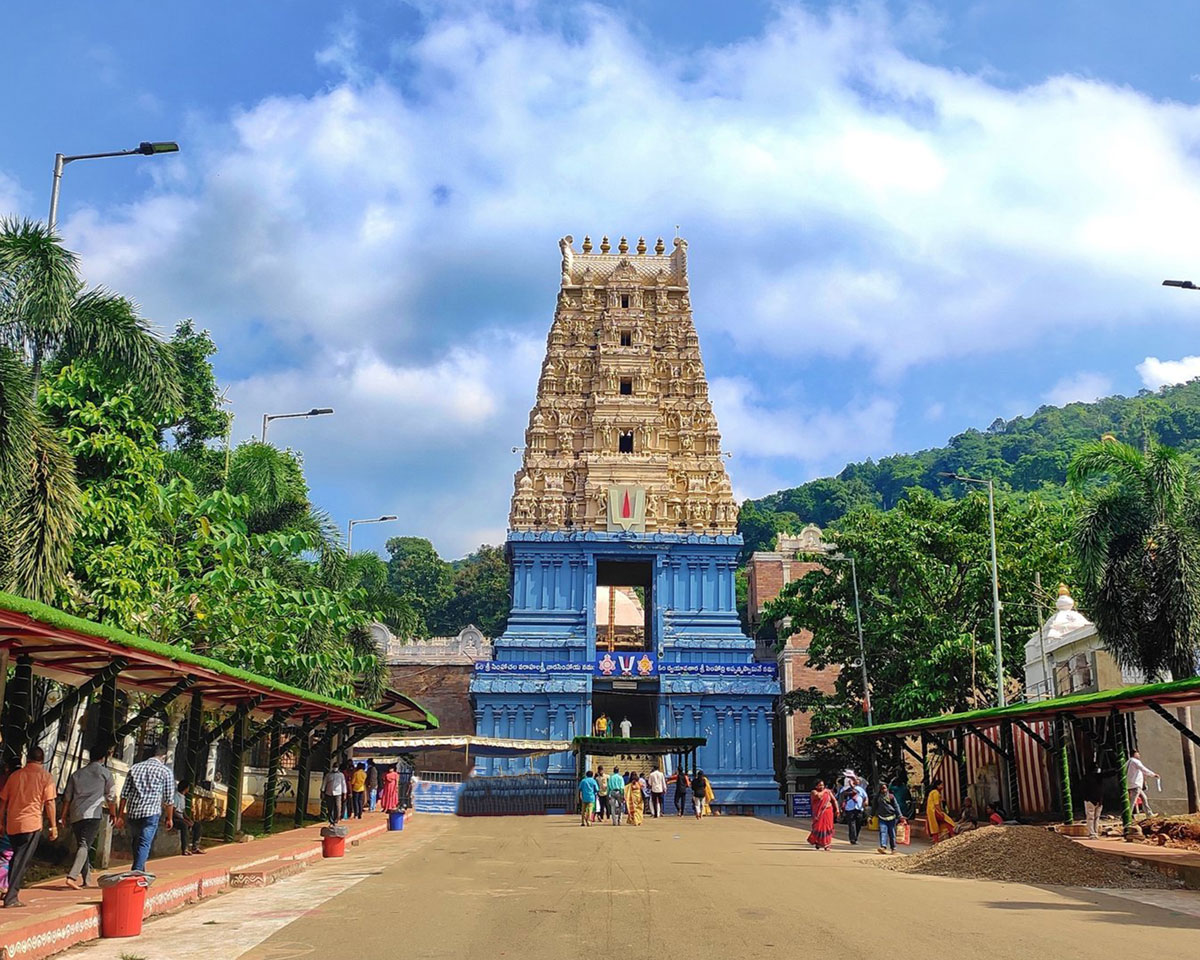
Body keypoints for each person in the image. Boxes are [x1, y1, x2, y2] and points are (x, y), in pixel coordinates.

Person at [0, 747, 58, 907]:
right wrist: (53, 826)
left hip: (13, 823)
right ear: (42, 759)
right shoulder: (46, 777)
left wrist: (1, 822)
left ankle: (9, 892)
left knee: (16, 857)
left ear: (28, 758)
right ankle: (11, 897)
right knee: (21, 860)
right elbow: (50, 802)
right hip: (31, 824)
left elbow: (3, 800)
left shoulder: (15, 776)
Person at [60, 746, 117, 889]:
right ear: (103, 758)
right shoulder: (105, 773)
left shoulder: (77, 774)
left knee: (82, 845)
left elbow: (67, 797)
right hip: (92, 814)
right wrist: (113, 813)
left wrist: (63, 815)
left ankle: (86, 879)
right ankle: (72, 876)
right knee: (85, 845)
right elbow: (111, 797)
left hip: (76, 813)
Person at [117, 744, 174, 874]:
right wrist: (169, 818)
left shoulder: (134, 768)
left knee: (136, 841)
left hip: (133, 811)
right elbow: (169, 799)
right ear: (163, 757)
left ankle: (140, 870)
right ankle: (136, 871)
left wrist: (121, 815)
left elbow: (124, 794)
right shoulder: (165, 772)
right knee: (144, 842)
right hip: (151, 813)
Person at [1125, 751, 1159, 818]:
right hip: (1135, 785)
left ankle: (1149, 814)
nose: (1139, 755)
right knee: (1132, 802)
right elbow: (1143, 769)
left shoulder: (1127, 762)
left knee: (1144, 798)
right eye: (1138, 753)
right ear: (1134, 754)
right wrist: (1153, 774)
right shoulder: (1136, 762)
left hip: (1131, 784)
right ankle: (1127, 817)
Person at [874, 782, 905, 855]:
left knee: (892, 833)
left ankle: (893, 848)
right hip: (882, 817)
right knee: (883, 832)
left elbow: (896, 806)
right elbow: (874, 807)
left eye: (884, 788)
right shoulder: (877, 797)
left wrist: (900, 816)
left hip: (892, 817)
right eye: (882, 789)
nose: (883, 790)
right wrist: (871, 816)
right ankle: (883, 847)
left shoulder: (891, 797)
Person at [807, 779, 837, 851]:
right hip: (819, 814)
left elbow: (834, 800)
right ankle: (818, 842)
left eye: (823, 785)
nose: (822, 787)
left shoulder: (828, 792)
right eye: (820, 785)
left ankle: (827, 844)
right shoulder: (814, 792)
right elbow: (818, 796)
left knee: (828, 828)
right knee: (819, 828)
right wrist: (825, 791)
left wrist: (837, 809)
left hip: (828, 812)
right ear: (816, 786)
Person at [838, 774, 868, 845]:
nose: (857, 781)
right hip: (850, 809)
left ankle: (855, 838)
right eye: (854, 779)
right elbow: (842, 795)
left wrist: (866, 802)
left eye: (857, 780)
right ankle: (852, 839)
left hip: (859, 808)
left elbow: (865, 797)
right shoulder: (845, 789)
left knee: (858, 824)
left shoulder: (861, 789)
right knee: (852, 824)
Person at [174, 781, 202, 855]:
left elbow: (183, 811)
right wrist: (183, 820)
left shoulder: (183, 797)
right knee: (184, 825)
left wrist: (189, 819)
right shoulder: (176, 796)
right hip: (175, 817)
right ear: (185, 788)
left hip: (181, 816)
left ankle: (195, 847)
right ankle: (185, 848)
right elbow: (174, 811)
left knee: (197, 825)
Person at [925, 778, 956, 842]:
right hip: (935, 811)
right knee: (948, 820)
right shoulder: (936, 793)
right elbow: (936, 804)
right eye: (941, 785)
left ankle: (936, 840)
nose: (942, 787)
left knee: (934, 826)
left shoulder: (932, 792)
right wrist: (940, 812)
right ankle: (952, 834)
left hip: (930, 812)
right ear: (937, 786)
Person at [1082, 764, 1104, 839]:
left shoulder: (1085, 777)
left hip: (1090, 800)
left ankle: (1092, 833)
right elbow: (1108, 774)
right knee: (1095, 817)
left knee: (1091, 817)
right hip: (1097, 800)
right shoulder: (1099, 777)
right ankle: (1094, 832)